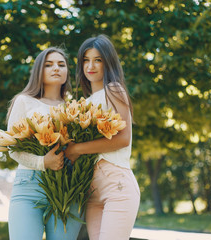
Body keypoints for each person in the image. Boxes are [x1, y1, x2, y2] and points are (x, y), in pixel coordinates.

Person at [64, 35, 140, 240]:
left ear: (108, 62)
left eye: (98, 60)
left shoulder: (113, 90)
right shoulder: (84, 103)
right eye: (86, 60)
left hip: (117, 187)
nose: (90, 66)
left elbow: (122, 139)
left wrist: (76, 149)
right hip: (92, 194)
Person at [6, 47, 82, 240]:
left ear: (67, 72)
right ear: (39, 70)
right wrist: (43, 162)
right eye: (49, 65)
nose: (56, 68)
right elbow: (12, 148)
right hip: (29, 187)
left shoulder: (75, 109)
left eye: (61, 64)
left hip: (66, 189)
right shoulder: (24, 101)